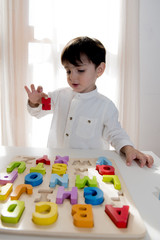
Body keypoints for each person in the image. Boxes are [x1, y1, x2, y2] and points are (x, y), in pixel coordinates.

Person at [24, 36, 154, 168]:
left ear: (100, 69)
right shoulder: (59, 96)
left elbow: (115, 133)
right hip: (57, 164)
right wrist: (34, 102)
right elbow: (37, 112)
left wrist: (129, 148)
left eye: (80, 70)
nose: (72, 77)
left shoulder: (105, 106)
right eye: (68, 71)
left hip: (90, 167)